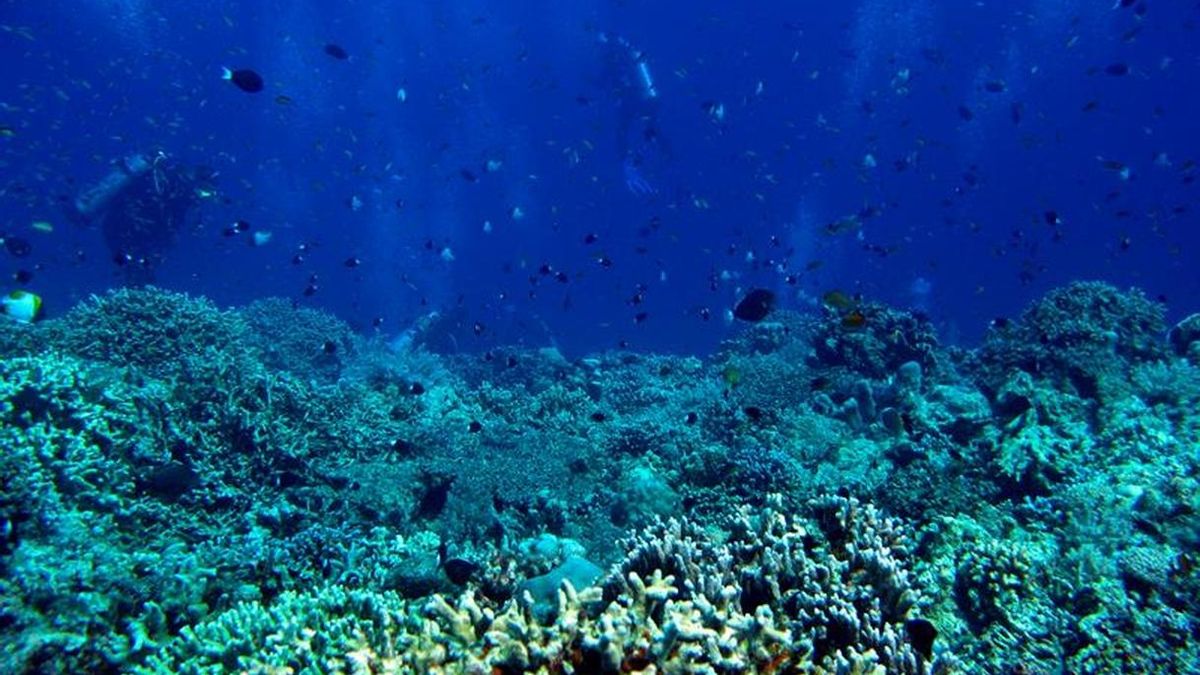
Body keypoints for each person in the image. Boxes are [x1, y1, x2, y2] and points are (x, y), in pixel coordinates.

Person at [69, 151, 217, 284]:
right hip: (128, 231)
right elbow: (158, 215)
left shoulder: (174, 187)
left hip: (128, 232)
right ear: (197, 180)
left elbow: (167, 222)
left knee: (138, 273)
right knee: (135, 272)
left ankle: (133, 296)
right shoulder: (170, 185)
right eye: (205, 192)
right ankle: (132, 299)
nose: (202, 197)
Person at [598, 32, 669, 196]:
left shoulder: (611, 56)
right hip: (648, 100)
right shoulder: (630, 53)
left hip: (630, 101)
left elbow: (602, 81)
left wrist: (586, 79)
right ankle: (668, 158)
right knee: (652, 131)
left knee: (622, 132)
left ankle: (628, 167)